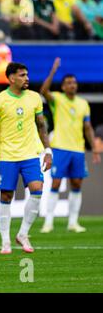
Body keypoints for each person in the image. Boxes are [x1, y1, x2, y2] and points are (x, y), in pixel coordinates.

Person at [0, 62, 52, 255]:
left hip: (30, 154)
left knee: (37, 190)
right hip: (7, 156)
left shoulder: (35, 98)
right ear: (11, 78)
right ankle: (5, 241)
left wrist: (48, 150)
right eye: (22, 75)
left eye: (27, 75)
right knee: (6, 196)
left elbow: (41, 125)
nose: (26, 78)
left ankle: (23, 234)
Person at [39, 57, 101, 234]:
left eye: (74, 82)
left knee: (76, 184)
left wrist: (94, 148)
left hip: (78, 150)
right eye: (68, 83)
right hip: (60, 147)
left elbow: (87, 127)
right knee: (56, 183)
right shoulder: (57, 99)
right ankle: (48, 222)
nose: (72, 85)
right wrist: (53, 71)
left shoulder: (83, 104)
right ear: (63, 86)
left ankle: (73, 222)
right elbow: (44, 90)